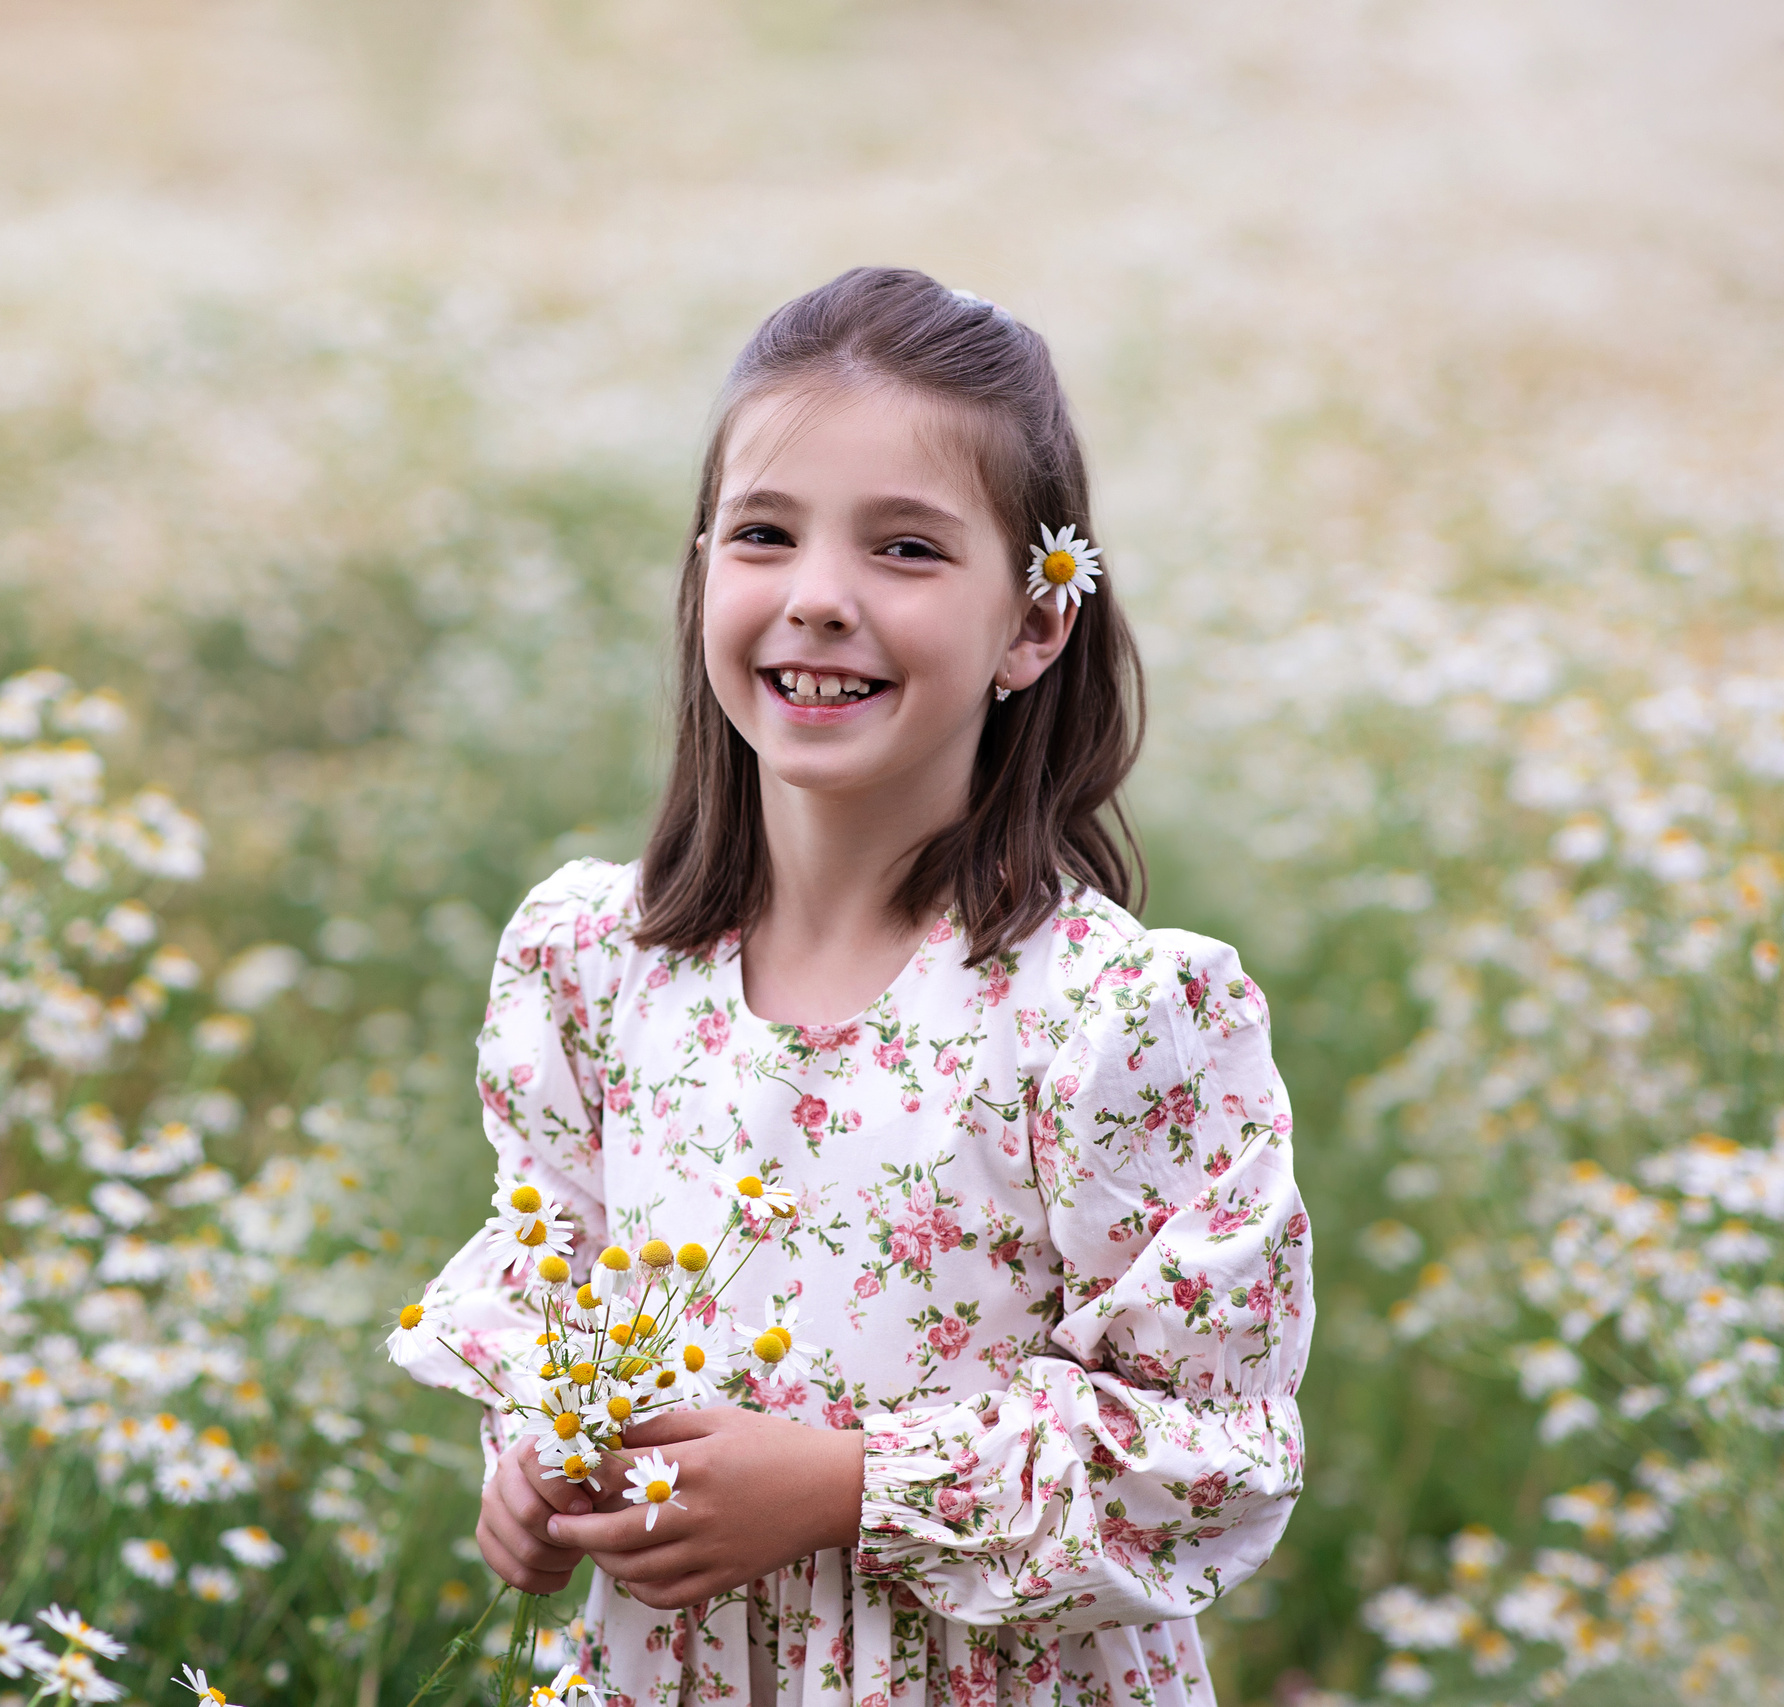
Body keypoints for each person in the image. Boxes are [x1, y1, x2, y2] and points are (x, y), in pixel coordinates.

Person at [391, 266, 1310, 1707]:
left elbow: (1209, 1450)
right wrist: (535, 1460)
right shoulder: (594, 969)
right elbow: (551, 1279)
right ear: (705, 572)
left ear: (1035, 624)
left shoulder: (1113, 1023)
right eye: (765, 534)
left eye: (905, 550)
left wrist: (846, 1488)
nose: (818, 599)